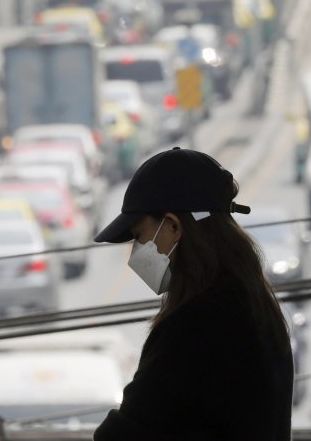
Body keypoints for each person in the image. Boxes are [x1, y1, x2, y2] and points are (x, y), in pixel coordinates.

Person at [92, 147, 294, 440]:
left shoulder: (194, 327)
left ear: (173, 226)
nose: (136, 251)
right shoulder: (256, 305)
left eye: (139, 236)